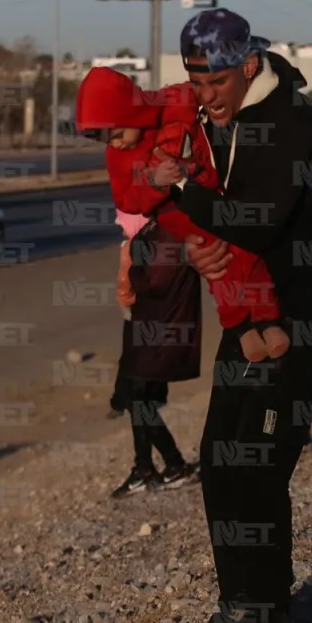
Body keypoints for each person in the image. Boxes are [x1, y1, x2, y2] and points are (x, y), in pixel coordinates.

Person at [147, 8, 312, 623]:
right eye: (192, 79)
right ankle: (237, 602)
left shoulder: (295, 123)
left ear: (246, 64)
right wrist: (200, 245)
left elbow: (258, 222)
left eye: (211, 79)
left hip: (302, 319)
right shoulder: (220, 122)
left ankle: (268, 616)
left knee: (259, 465)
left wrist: (179, 186)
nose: (201, 93)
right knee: (220, 457)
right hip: (251, 312)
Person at [76, 66, 291, 364]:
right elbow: (127, 200)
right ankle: (241, 327)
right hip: (175, 213)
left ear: (132, 114)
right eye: (106, 140)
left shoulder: (171, 103)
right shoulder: (118, 157)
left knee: (246, 248)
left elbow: (203, 90)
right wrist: (153, 183)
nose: (116, 144)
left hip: (214, 193)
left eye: (118, 134)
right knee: (217, 262)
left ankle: (268, 320)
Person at [107, 210, 202, 498]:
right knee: (140, 401)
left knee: (139, 401)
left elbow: (131, 293)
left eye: (123, 218)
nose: (119, 224)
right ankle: (146, 467)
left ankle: (172, 464)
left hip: (145, 332)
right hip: (156, 333)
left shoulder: (139, 246)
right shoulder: (166, 238)